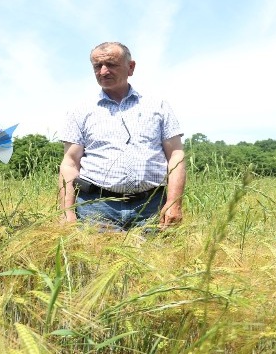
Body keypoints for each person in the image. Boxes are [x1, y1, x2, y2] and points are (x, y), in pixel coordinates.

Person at [58, 42, 186, 232]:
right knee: (97, 261)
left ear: (131, 67)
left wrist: (174, 203)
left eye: (111, 64)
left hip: (151, 207)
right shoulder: (81, 111)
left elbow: (176, 155)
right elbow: (69, 163)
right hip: (97, 208)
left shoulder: (158, 106)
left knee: (155, 260)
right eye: (97, 66)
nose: (103, 71)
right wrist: (66, 212)